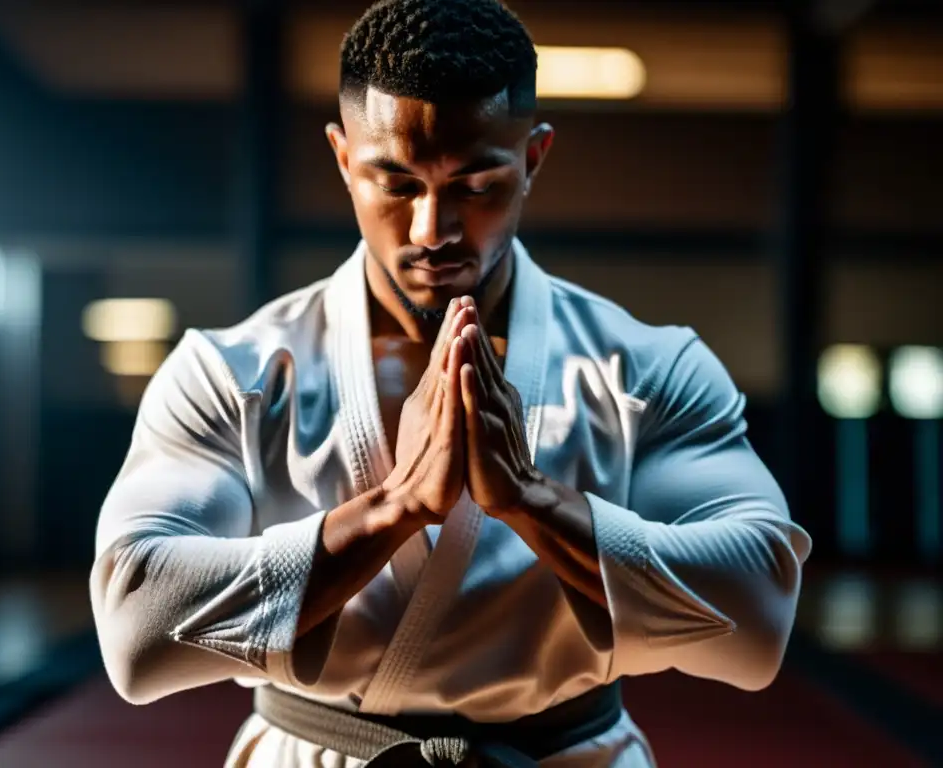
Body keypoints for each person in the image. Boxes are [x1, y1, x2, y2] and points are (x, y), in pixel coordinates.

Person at [89, 0, 813, 765]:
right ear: (342, 158)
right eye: (395, 183)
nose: (433, 230)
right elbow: (135, 631)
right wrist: (392, 512)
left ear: (532, 158)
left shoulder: (645, 368)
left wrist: (534, 502)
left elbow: (758, 625)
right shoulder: (235, 373)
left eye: (474, 185)